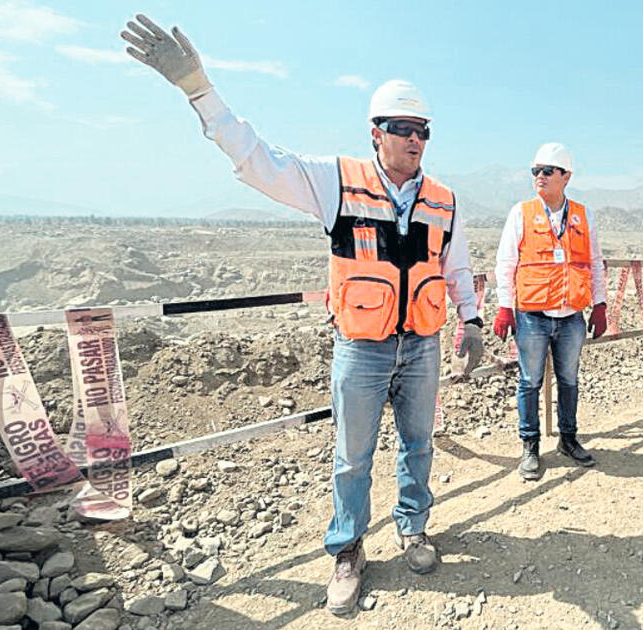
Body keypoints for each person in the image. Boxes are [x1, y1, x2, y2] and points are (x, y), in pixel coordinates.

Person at [120, 15, 485, 615]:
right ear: (376, 133)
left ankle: (413, 527)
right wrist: (199, 91)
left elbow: (456, 263)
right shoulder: (335, 180)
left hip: (421, 344)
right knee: (352, 455)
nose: (415, 140)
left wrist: (470, 320)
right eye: (402, 128)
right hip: (362, 348)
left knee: (419, 445)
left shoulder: (444, 199)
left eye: (423, 130)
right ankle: (348, 550)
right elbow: (259, 161)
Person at [493, 143, 607, 481]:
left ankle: (568, 439)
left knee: (569, 380)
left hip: (571, 315)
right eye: (535, 171)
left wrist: (599, 304)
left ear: (565, 176)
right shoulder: (522, 212)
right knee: (530, 381)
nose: (539, 177)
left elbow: (596, 264)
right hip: (533, 315)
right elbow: (506, 263)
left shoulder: (584, 216)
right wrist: (504, 307)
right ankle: (530, 446)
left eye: (547, 171)